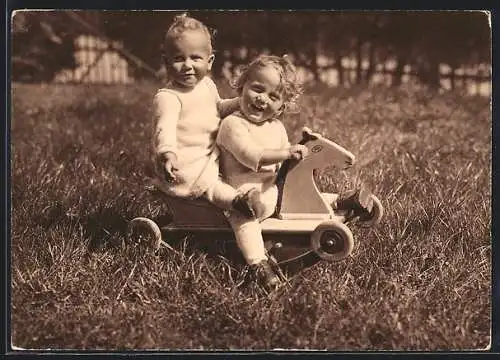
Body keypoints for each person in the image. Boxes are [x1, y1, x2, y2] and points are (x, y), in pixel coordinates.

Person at [216, 55, 374, 291]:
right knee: (244, 218)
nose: (262, 99)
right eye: (257, 89)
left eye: (273, 97)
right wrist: (287, 153)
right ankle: (258, 264)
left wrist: (301, 157)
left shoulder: (275, 127)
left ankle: (342, 201)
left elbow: (285, 161)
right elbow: (251, 156)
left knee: (295, 193)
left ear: (282, 106)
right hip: (244, 193)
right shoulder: (232, 125)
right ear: (242, 87)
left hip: (271, 187)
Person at [152, 14, 257, 217]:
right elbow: (163, 130)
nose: (187, 65)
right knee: (211, 186)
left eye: (195, 58)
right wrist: (168, 154)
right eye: (179, 58)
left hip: (210, 152)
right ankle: (237, 202)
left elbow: (218, 108)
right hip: (187, 163)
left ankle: (252, 186)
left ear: (209, 62)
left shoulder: (207, 85)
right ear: (166, 62)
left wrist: (242, 103)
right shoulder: (169, 97)